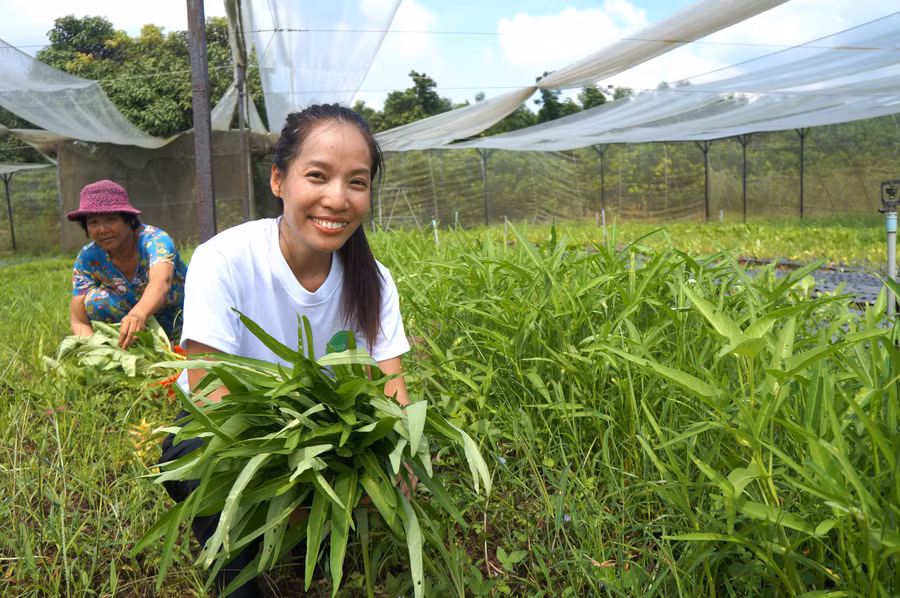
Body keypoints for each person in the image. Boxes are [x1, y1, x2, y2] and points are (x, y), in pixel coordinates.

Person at [159, 104, 410, 597]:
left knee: (323, 557)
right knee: (194, 457)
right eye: (317, 176)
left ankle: (308, 536)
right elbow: (209, 390)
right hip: (230, 434)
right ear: (278, 180)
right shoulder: (224, 259)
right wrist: (285, 486)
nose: (337, 199)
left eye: (357, 182)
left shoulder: (375, 281)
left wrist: (400, 461)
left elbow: (392, 386)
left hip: (320, 434)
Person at [68, 180, 187, 348]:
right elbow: (78, 319)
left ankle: (174, 341)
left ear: (129, 220)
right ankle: (134, 344)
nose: (102, 230)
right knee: (95, 301)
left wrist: (138, 314)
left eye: (111, 219)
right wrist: (96, 350)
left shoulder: (155, 240)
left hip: (182, 320)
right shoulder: (89, 257)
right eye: (93, 222)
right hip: (135, 328)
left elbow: (161, 282)